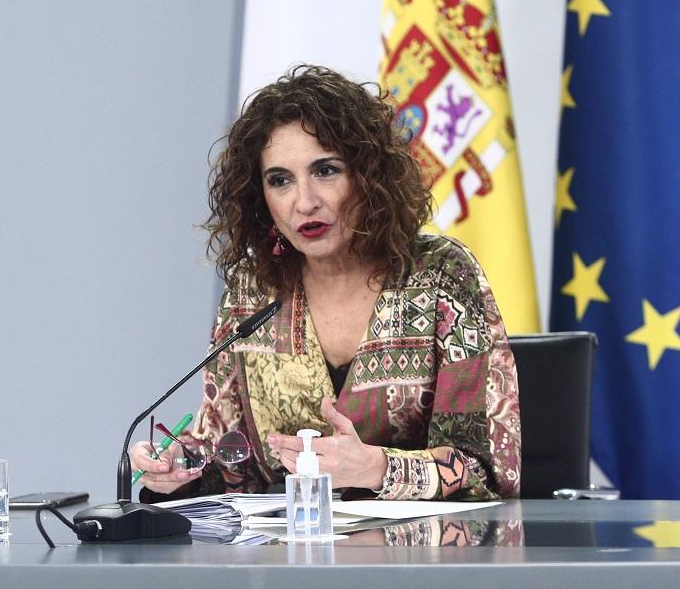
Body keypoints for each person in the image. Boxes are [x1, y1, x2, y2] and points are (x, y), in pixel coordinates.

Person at [130, 65, 520, 500]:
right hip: (289, 559)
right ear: (261, 197)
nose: (305, 202)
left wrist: (378, 469)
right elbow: (229, 467)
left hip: (420, 559)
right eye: (280, 180)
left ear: (369, 177)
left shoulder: (440, 275)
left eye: (326, 171)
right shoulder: (252, 291)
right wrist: (176, 465)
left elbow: (487, 468)